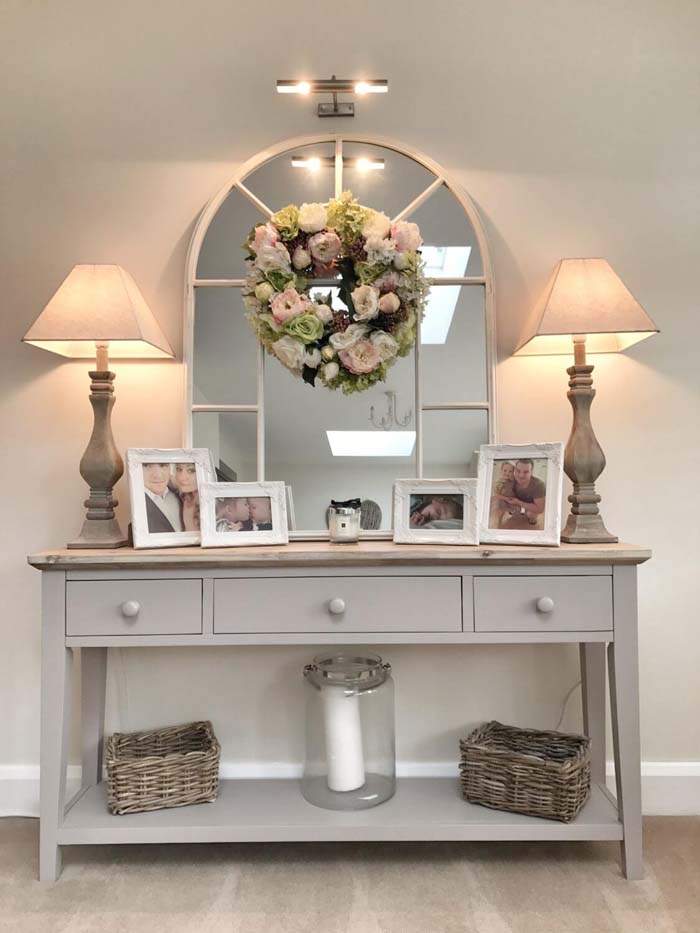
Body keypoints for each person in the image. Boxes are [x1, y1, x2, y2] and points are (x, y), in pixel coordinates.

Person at [499, 458, 546, 530]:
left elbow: (540, 509)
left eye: (526, 472)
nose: (521, 475)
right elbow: (497, 494)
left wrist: (519, 502)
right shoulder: (510, 479)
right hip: (515, 501)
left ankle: (531, 517)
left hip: (530, 504)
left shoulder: (539, 484)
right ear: (514, 470)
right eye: (518, 471)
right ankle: (513, 512)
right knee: (500, 502)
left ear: (531, 472)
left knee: (531, 514)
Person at [142, 463, 183, 534]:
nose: (158, 475)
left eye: (163, 465)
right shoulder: (136, 504)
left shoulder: (182, 493)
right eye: (147, 466)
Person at [172, 462, 200, 531]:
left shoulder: (211, 505)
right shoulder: (185, 495)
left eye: (191, 471)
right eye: (179, 469)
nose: (182, 478)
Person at [489, 461, 516, 529]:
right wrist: (506, 499)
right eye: (505, 470)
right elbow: (496, 495)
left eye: (510, 471)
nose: (507, 473)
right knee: (500, 511)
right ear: (501, 471)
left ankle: (511, 512)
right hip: (502, 500)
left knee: (514, 509)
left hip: (512, 499)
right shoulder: (499, 482)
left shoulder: (514, 481)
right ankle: (499, 523)